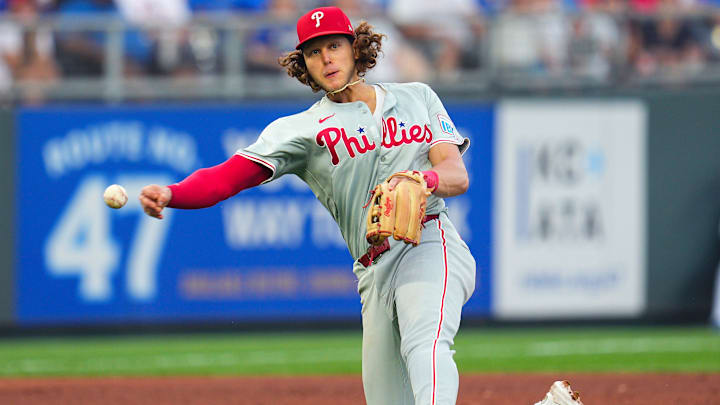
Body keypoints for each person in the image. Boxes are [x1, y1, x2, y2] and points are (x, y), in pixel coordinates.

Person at [138, 6, 583, 405]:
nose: (326, 58)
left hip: (430, 241)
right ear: (303, 65)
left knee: (425, 342)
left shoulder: (417, 97)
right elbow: (227, 177)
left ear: (357, 49)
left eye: (334, 46)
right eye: (314, 52)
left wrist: (422, 179)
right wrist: (173, 194)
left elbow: (456, 175)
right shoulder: (301, 130)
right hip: (372, 269)